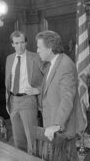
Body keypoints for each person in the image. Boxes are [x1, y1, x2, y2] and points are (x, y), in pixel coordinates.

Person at [36, 30, 79, 161]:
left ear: (49, 48)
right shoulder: (51, 64)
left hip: (61, 127)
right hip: (51, 124)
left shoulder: (65, 65)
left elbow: (67, 99)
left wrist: (57, 124)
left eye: (39, 47)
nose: (37, 51)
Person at [5, 31, 43, 153]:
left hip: (28, 100)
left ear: (26, 42)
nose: (20, 46)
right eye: (16, 43)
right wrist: (8, 101)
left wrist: (38, 90)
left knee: (31, 138)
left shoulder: (35, 57)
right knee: (18, 138)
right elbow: (8, 80)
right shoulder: (9, 58)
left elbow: (49, 76)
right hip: (13, 101)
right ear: (12, 44)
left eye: (22, 42)